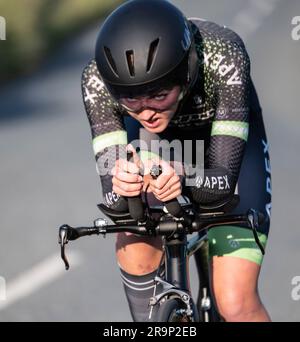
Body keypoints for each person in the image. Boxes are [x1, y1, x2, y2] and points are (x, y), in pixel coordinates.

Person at [81, 0, 271, 322]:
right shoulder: (96, 82)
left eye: (159, 95)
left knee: (235, 303)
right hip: (156, 149)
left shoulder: (225, 56)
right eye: (131, 99)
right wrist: (125, 186)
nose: (146, 112)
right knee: (133, 238)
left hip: (221, 147)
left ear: (185, 71)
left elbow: (222, 185)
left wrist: (183, 177)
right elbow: (115, 204)